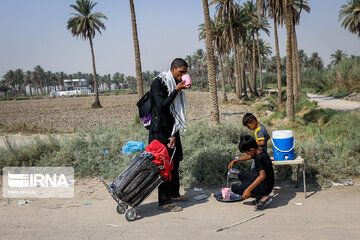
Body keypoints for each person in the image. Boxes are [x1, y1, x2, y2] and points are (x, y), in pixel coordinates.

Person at [148, 58, 190, 212]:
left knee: (176, 160)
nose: (183, 75)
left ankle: (174, 193)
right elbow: (161, 106)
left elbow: (175, 110)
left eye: (185, 72)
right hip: (160, 130)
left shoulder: (175, 83)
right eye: (181, 72)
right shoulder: (159, 83)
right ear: (173, 69)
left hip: (173, 128)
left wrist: (173, 132)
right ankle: (164, 202)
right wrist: (176, 91)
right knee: (163, 164)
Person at [231, 135, 274, 210]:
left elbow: (262, 176)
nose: (248, 155)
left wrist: (248, 189)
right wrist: (235, 161)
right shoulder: (260, 151)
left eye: (247, 152)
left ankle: (262, 197)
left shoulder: (259, 158)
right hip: (268, 183)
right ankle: (260, 196)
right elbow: (248, 157)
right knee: (240, 175)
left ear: (251, 150)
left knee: (234, 188)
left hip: (265, 186)